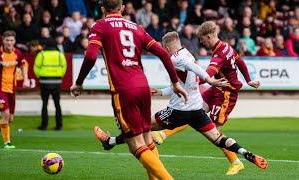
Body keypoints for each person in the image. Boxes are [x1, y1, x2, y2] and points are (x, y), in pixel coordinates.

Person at [93, 31, 268, 174]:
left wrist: (209, 79)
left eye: (164, 48)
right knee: (218, 138)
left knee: (141, 127)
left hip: (178, 111)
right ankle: (247, 154)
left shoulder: (177, 59)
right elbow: (180, 85)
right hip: (196, 110)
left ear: (168, 46)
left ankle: (111, 142)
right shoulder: (188, 54)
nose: (164, 51)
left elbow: (192, 68)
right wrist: (161, 92)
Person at [70, 0, 188, 179]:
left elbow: (91, 56)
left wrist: (79, 82)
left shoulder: (99, 26)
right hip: (143, 87)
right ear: (122, 8)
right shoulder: (136, 27)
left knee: (136, 145)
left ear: (103, 9)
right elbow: (164, 53)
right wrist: (176, 83)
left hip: (123, 89)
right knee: (147, 140)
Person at [152, 21, 263, 175]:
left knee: (213, 130)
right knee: (194, 110)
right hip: (216, 89)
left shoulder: (219, 55)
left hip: (226, 94)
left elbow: (207, 75)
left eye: (203, 39)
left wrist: (192, 80)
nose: (202, 42)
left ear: (209, 36)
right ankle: (163, 134)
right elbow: (240, 61)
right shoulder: (225, 46)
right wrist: (248, 79)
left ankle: (236, 162)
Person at [0, 31, 30, 149]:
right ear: (3, 40)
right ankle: (7, 142)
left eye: (11, 40)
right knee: (6, 116)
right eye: (7, 40)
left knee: (10, 118)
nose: (9, 42)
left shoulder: (18, 53)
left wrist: (25, 79)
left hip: (12, 88)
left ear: (15, 41)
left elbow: (23, 65)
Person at [34, 40, 67, 131]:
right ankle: (59, 126)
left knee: (44, 103)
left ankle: (44, 126)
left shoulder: (41, 54)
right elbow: (64, 67)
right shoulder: (60, 54)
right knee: (57, 104)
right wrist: (59, 75)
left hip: (44, 82)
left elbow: (36, 67)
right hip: (56, 82)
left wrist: (41, 76)